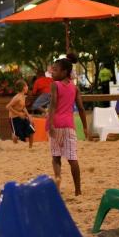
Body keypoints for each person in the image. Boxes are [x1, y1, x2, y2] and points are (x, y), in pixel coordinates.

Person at [47, 57, 92, 196]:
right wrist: (85, 127)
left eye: (55, 70)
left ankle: (58, 178)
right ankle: (78, 190)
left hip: (56, 124)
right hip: (69, 126)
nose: (52, 72)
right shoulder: (75, 88)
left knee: (56, 157)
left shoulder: (55, 85)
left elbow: (53, 104)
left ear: (64, 72)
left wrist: (50, 123)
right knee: (73, 159)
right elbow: (81, 109)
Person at [7, 81, 34, 148]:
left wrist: (28, 116)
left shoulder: (23, 96)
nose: (28, 87)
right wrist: (19, 114)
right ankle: (14, 136)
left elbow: (23, 107)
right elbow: (8, 106)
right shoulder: (17, 97)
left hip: (22, 117)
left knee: (31, 130)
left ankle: (30, 147)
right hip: (14, 118)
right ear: (23, 88)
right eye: (26, 86)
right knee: (17, 136)